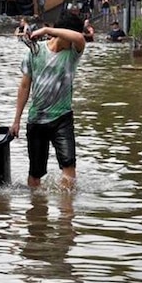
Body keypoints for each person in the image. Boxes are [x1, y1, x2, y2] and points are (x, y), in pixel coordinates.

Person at [10, 14, 85, 190]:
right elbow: (24, 86)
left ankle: (67, 214)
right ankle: (36, 212)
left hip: (62, 117)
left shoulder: (73, 53)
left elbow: (80, 38)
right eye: (68, 38)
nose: (71, 42)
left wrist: (45, 30)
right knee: (35, 174)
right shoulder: (35, 51)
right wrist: (16, 120)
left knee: (69, 165)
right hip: (37, 118)